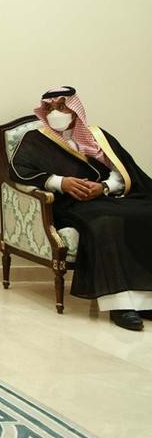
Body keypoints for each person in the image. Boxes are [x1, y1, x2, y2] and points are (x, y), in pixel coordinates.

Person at [10, 86, 152, 331]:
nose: (55, 113)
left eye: (61, 107)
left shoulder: (98, 136)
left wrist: (104, 187)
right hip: (68, 204)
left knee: (145, 213)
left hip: (106, 198)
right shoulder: (35, 139)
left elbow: (122, 170)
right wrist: (60, 182)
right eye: (49, 108)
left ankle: (145, 302)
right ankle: (120, 304)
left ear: (75, 110)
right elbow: (18, 170)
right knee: (105, 222)